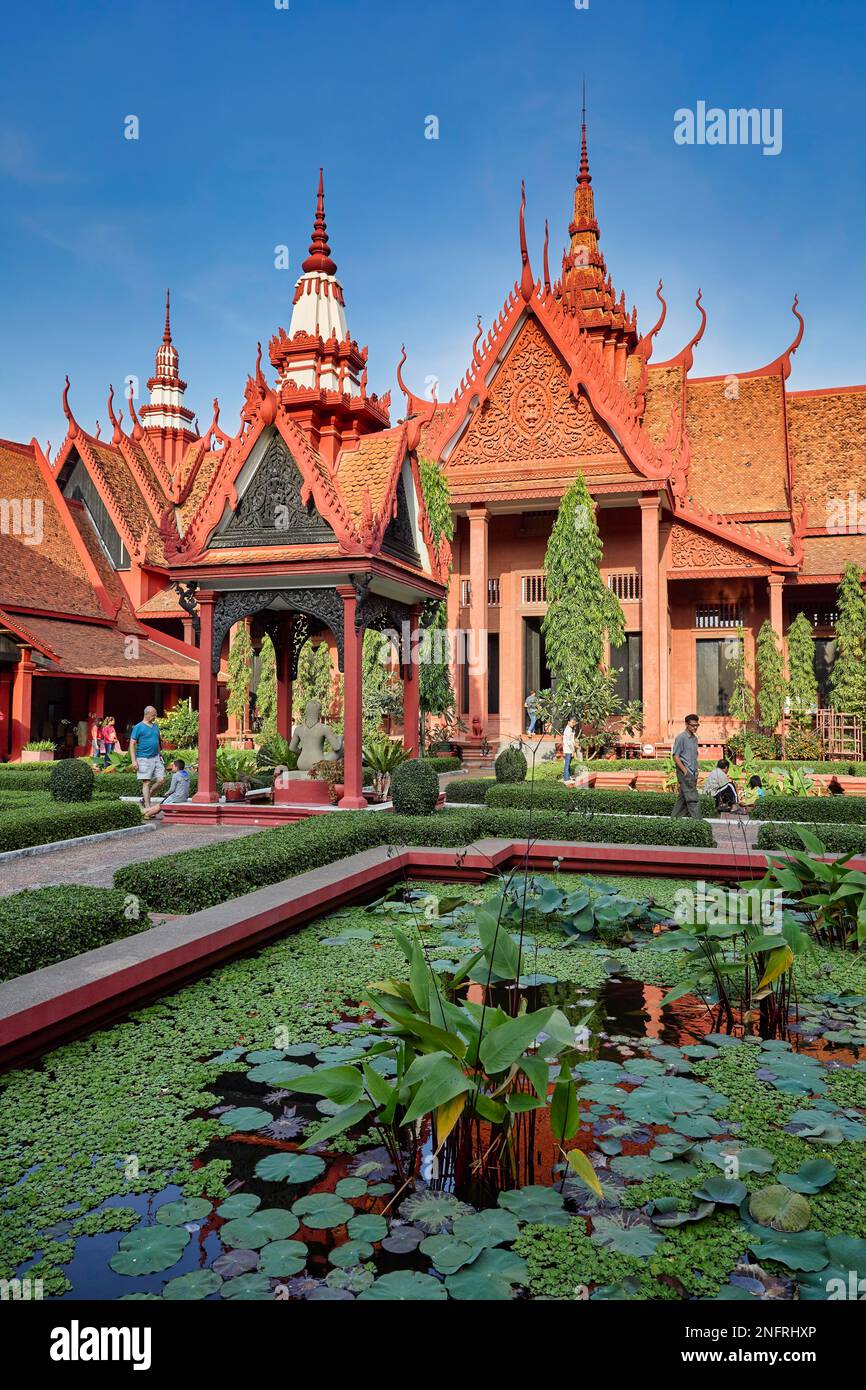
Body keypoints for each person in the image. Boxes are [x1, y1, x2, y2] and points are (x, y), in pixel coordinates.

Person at [129, 705, 165, 809]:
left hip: (156, 757)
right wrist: (133, 761)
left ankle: (145, 798)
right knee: (147, 782)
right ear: (147, 714)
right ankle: (148, 806)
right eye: (154, 715)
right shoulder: (138, 727)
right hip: (143, 758)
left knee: (161, 780)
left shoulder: (155, 726)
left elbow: (157, 742)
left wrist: (160, 756)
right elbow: (132, 744)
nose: (155, 717)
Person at [672, 714, 701, 819]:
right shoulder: (681, 738)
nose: (695, 727)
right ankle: (699, 822)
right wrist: (685, 771)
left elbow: (694, 757)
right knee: (692, 798)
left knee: (683, 798)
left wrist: (696, 771)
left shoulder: (694, 739)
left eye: (697, 725)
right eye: (693, 725)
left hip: (693, 772)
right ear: (686, 724)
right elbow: (675, 756)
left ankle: (674, 820)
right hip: (685, 771)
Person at [562, 715, 578, 784]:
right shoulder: (568, 730)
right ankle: (566, 779)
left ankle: (568, 776)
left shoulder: (570, 729)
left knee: (568, 763)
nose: (573, 724)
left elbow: (571, 740)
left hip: (569, 748)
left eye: (574, 722)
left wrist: (575, 745)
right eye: (572, 722)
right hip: (568, 749)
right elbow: (568, 742)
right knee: (567, 764)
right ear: (568, 722)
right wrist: (572, 750)